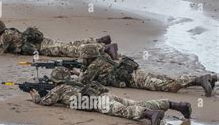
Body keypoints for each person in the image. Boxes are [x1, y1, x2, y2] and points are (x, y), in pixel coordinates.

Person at [29, 67, 192, 125]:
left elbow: (47, 102)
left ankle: (150, 114)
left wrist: (36, 98)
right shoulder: (75, 81)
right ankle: (177, 105)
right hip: (106, 94)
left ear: (56, 80)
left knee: (125, 111)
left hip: (99, 102)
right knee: (137, 102)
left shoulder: (60, 88)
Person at [77, 44, 217, 97]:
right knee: (167, 81)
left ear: (89, 57)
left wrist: (76, 73)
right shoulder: (101, 59)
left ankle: (200, 79)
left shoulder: (95, 65)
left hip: (134, 78)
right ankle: (210, 78)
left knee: (168, 86)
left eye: (84, 58)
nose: (82, 60)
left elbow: (83, 81)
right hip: (134, 73)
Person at [0, 19, 119, 60]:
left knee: (71, 51)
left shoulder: (5, 35)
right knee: (68, 45)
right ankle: (98, 40)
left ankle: (105, 48)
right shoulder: (9, 31)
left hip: (42, 47)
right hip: (42, 43)